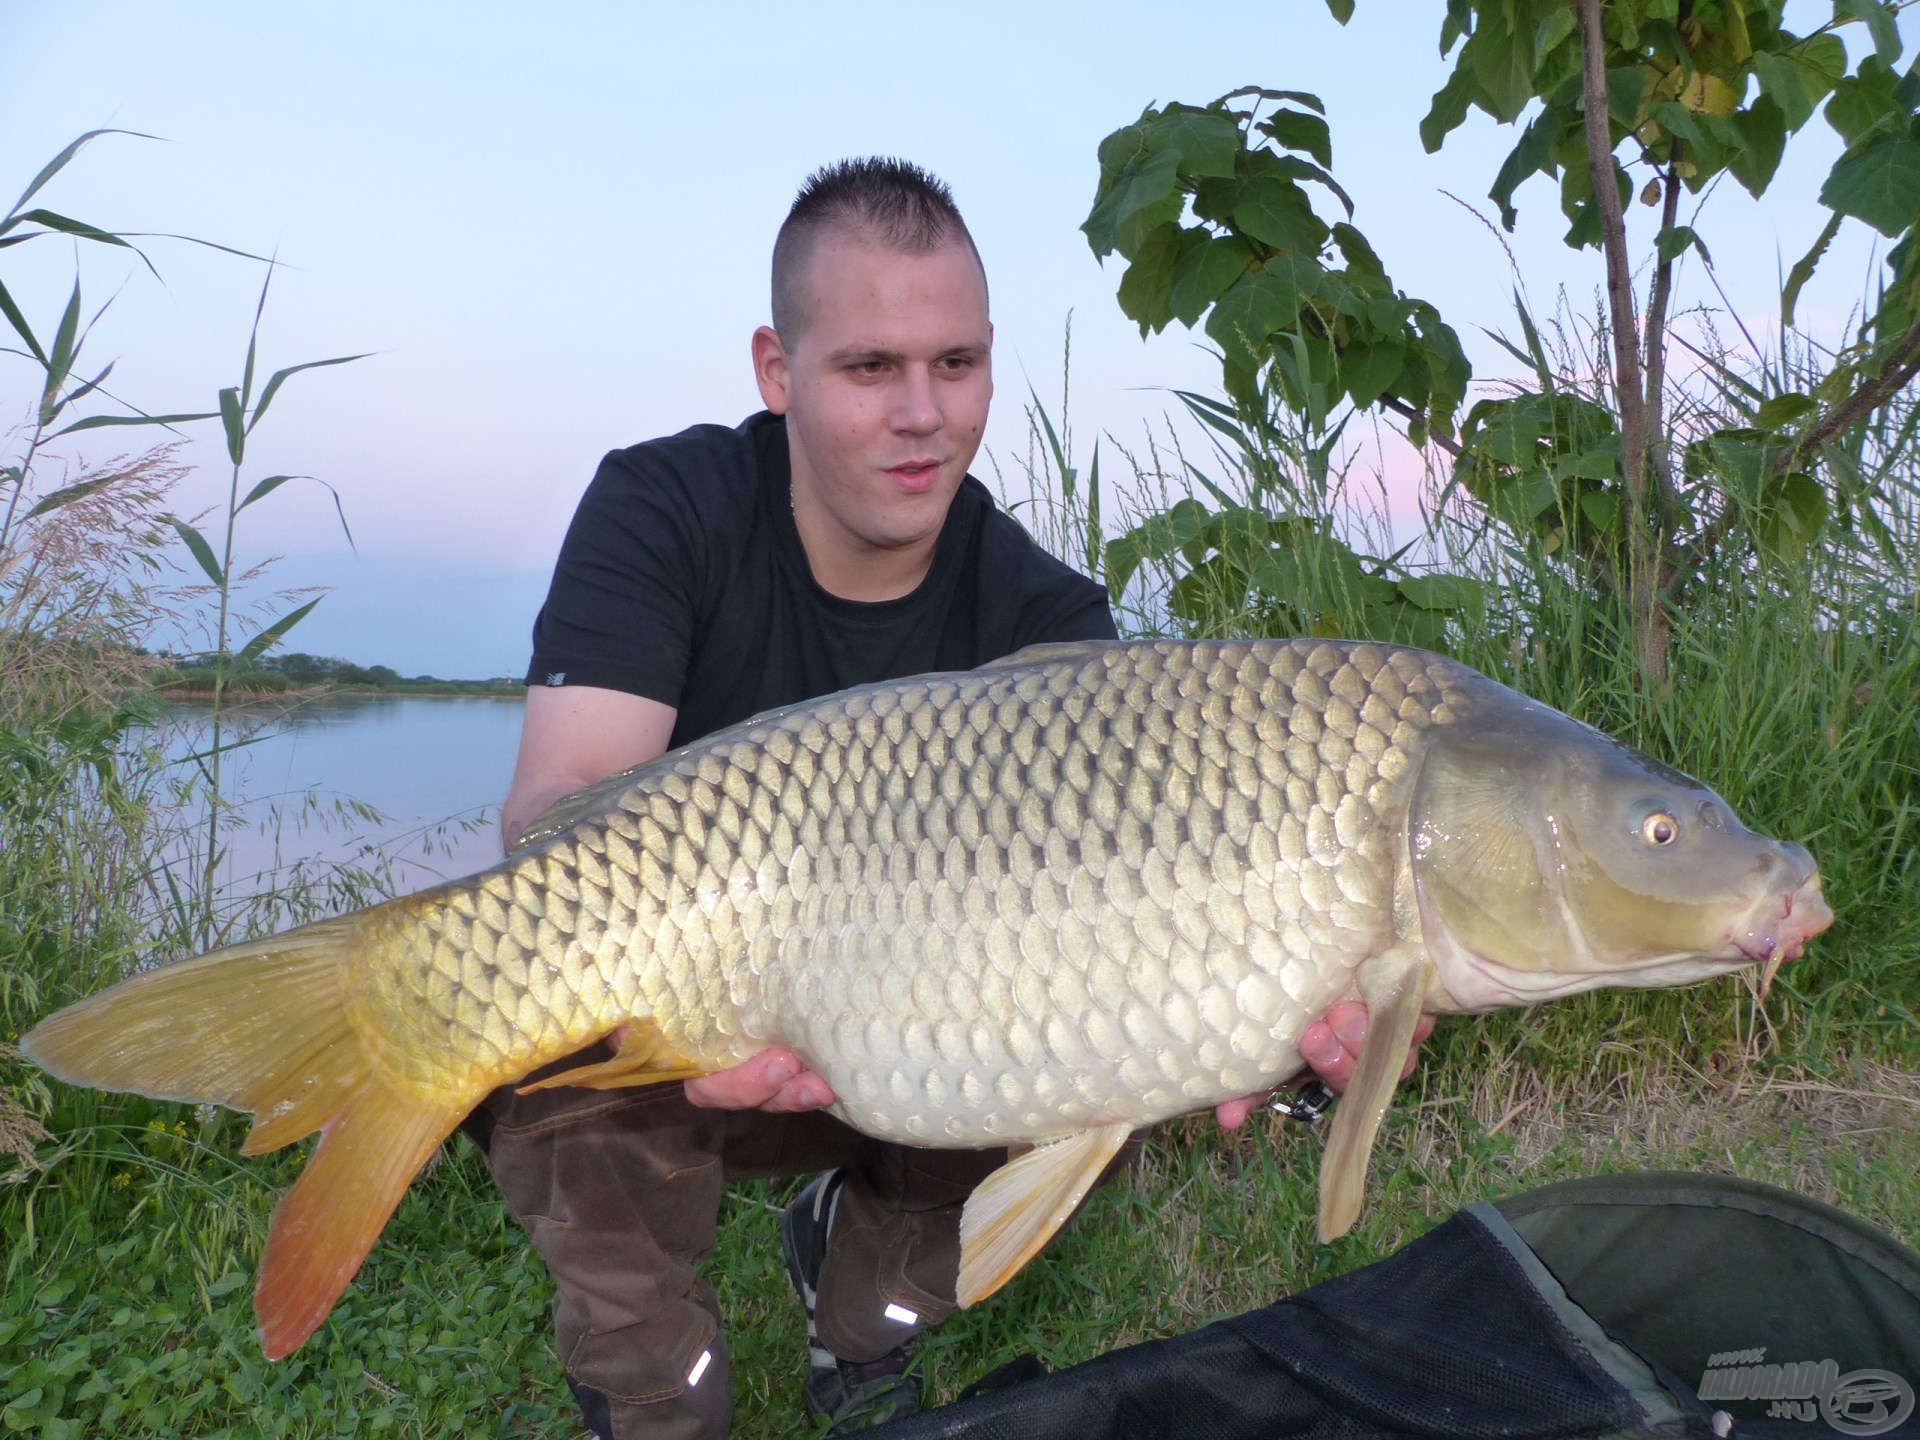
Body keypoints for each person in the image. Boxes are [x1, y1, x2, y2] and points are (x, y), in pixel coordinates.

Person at [478, 157, 1429, 1440]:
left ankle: (865, 1312)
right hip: (698, 1001)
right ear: (779, 371)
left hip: (920, 1042)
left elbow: (1152, 938)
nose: (923, 413)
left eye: (957, 365)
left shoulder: (1046, 620)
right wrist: (695, 1030)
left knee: (1101, 1065)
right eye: (871, 368)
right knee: (549, 1046)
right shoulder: (666, 508)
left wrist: (1303, 1017)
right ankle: (654, 1392)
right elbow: (560, 811)